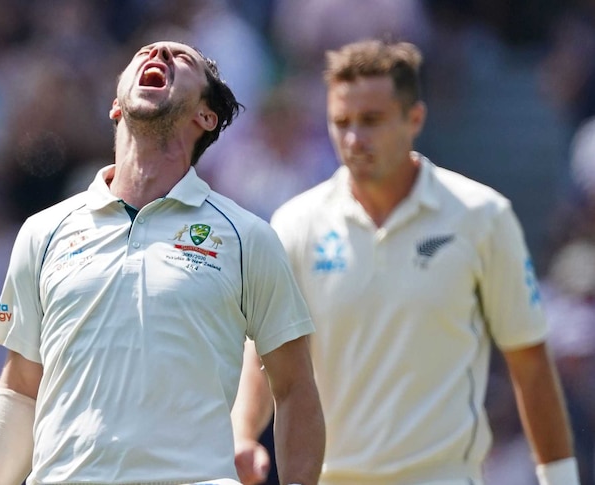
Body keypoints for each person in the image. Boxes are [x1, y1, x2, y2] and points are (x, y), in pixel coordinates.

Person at [0, 40, 325, 485]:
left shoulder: (248, 238)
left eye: (181, 58)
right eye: (144, 54)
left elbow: (294, 389)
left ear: (206, 117)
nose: (159, 56)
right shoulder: (44, 230)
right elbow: (19, 389)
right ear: (116, 105)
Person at [232, 39, 581, 485]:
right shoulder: (296, 223)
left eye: (372, 120)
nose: (355, 138)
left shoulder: (482, 218)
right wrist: (242, 435)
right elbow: (266, 353)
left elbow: (529, 362)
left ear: (414, 119)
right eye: (342, 123)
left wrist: (561, 479)